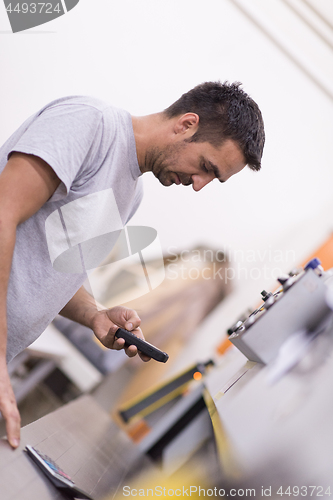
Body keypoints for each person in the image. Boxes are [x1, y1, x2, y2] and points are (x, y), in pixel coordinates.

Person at [0, 81, 265, 449]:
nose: (199, 186)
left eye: (213, 180)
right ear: (186, 125)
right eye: (206, 167)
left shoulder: (131, 194)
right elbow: (3, 215)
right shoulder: (89, 125)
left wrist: (95, 315)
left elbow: (47, 271)